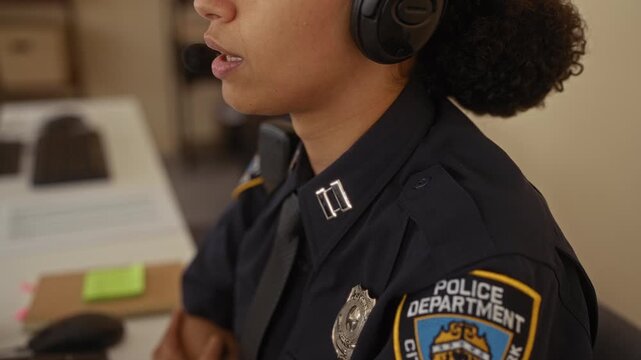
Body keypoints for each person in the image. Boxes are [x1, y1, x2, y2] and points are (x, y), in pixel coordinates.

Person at [154, 0, 597, 359]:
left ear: (396, 7)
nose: (207, 5)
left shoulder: (469, 272)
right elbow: (194, 321)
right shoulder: (286, 165)